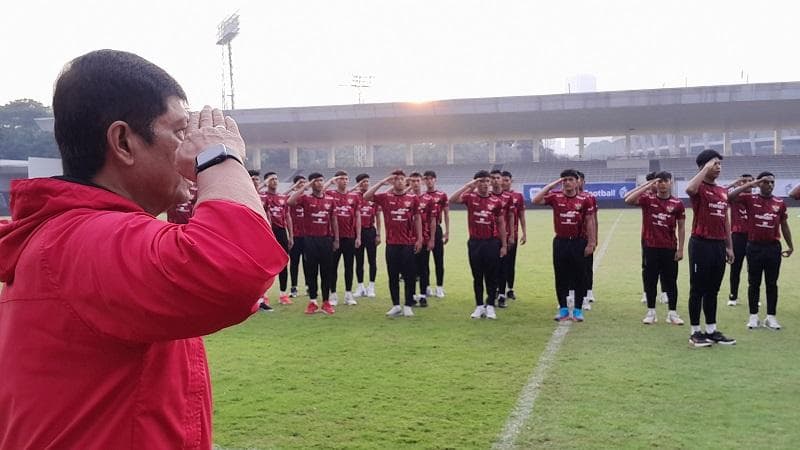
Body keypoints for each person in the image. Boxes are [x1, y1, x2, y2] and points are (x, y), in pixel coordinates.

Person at [0, 50, 287, 448]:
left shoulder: (71, 234)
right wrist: (219, 156)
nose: (189, 148)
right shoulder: (86, 238)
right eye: (180, 132)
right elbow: (236, 266)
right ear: (123, 142)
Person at [728, 172, 794, 329]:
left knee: (772, 283)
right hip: (754, 247)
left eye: (772, 182)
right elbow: (730, 197)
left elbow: (784, 225)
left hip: (773, 247)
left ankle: (771, 317)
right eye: (766, 182)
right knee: (754, 283)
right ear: (760, 184)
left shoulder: (779, 202)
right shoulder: (750, 199)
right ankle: (753, 316)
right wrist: (752, 183)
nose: (770, 185)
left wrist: (790, 245)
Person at [684, 149, 736, 347]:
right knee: (698, 289)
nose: (719, 168)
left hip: (718, 245)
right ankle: (695, 332)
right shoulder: (698, 188)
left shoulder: (722, 191)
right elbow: (689, 189)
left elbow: (725, 220)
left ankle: (712, 330)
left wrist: (729, 247)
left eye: (720, 164)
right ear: (703, 166)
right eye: (715, 164)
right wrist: (705, 167)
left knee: (713, 290)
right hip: (700, 244)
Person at [533, 169, 596, 322]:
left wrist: (591, 242)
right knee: (560, 276)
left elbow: (590, 221)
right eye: (564, 180)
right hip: (560, 242)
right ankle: (562, 309)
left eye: (570, 179)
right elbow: (536, 200)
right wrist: (553, 184)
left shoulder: (585, 199)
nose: (567, 182)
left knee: (580, 276)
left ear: (577, 182)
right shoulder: (555, 197)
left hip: (578, 242)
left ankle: (578, 309)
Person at [624, 171, 686, 325]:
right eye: (659, 181)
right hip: (650, 247)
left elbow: (682, 227)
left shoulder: (677, 204)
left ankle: (672, 313)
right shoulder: (647, 200)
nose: (662, 184)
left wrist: (680, 249)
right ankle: (651, 312)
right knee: (650, 281)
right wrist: (647, 184)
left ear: (671, 182)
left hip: (670, 248)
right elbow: (628, 199)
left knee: (671, 281)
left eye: (665, 181)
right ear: (655, 184)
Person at [363, 170, 423, 318]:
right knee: (393, 275)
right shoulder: (385, 197)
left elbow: (417, 219)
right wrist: (382, 182)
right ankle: (396, 305)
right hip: (392, 244)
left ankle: (408, 305)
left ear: (405, 181)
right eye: (396, 179)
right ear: (392, 182)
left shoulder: (412, 198)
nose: (400, 182)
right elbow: (366, 196)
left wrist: (420, 238)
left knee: (409, 276)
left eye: (402, 179)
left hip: (408, 243)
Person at [450, 171, 507, 319]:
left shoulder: (496, 201)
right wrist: (469, 185)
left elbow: (501, 223)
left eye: (486, 181)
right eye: (481, 181)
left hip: (491, 242)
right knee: (477, 276)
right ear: (476, 183)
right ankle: (479, 305)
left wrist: (504, 245)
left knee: (491, 276)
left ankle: (490, 306)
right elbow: (452, 199)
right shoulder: (471, 198)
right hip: (475, 242)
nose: (484, 184)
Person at [288, 172, 339, 315]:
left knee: (326, 272)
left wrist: (336, 239)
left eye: (321, 180)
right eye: (316, 181)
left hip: (326, 240)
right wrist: (305, 187)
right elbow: (290, 202)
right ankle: (312, 302)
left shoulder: (330, 200)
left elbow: (334, 220)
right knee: (311, 272)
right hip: (310, 240)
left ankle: (326, 302)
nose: (320, 183)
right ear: (311, 184)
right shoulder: (306, 198)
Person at [325, 171, 361, 306]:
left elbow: (357, 217)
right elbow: (320, 191)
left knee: (349, 266)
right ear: (336, 181)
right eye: (341, 179)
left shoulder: (354, 197)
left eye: (346, 179)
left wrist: (358, 236)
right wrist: (330, 180)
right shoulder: (331, 195)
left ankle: (348, 294)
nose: (344, 181)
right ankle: (333, 294)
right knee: (332, 267)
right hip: (334, 237)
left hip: (350, 237)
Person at [263, 171, 294, 305]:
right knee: (266, 265)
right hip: (268, 232)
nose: (274, 181)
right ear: (266, 182)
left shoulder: (282, 198)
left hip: (281, 232)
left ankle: (283, 294)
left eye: (276, 179)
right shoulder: (262, 197)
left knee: (283, 263)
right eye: (271, 179)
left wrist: (290, 235)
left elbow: (287, 217)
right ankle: (263, 296)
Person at [408, 172, 436, 307]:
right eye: (412, 181)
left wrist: (432, 239)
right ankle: (412, 295)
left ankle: (423, 295)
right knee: (410, 269)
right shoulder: (406, 198)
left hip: (424, 238)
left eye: (417, 181)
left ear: (422, 182)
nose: (415, 183)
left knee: (424, 268)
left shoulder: (429, 199)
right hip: (408, 240)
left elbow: (432, 220)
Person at [726, 174, 754, 306]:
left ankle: (754, 297)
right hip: (738, 236)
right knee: (735, 267)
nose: (747, 183)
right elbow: (721, 193)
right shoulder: (734, 198)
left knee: (753, 268)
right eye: (744, 181)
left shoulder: (757, 198)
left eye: (750, 181)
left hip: (754, 238)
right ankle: (733, 296)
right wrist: (734, 183)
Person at [353, 173, 381, 298]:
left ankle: (371, 286)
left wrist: (378, 234)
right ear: (358, 183)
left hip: (370, 231)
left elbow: (378, 217)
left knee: (372, 260)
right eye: (363, 182)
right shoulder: (354, 197)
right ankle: (360, 287)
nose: (366, 184)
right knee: (359, 261)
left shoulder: (372, 198)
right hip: (357, 233)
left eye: (367, 182)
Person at [500, 171, 526, 300]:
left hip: (512, 235)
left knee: (510, 263)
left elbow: (521, 215)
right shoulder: (495, 196)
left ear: (511, 181)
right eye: (502, 180)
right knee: (498, 264)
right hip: (496, 236)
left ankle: (510, 289)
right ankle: (500, 290)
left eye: (506, 180)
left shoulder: (518, 196)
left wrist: (524, 232)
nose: (504, 182)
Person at [574, 170, 598, 309]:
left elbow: (594, 220)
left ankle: (588, 292)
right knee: (571, 268)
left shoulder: (589, 197)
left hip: (586, 238)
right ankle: (570, 295)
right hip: (571, 239)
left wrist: (594, 238)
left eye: (579, 180)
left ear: (583, 182)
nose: (577, 182)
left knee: (586, 267)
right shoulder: (566, 196)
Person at [423, 170, 449, 298]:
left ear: (435, 180)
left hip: (437, 229)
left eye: (431, 178)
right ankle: (426, 286)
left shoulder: (441, 195)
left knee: (439, 259)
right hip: (423, 229)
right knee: (424, 261)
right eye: (426, 179)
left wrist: (447, 231)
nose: (429, 181)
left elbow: (446, 213)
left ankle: (439, 287)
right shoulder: (421, 196)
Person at [489, 169, 513, 308]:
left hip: (503, 236)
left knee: (504, 266)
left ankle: (502, 295)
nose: (495, 180)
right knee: (492, 267)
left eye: (497, 178)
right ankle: (493, 292)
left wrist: (511, 235)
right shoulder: (487, 196)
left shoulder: (507, 197)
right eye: (492, 178)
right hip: (490, 238)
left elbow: (510, 216)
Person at [286, 175, 308, 298]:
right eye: (300, 183)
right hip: (295, 235)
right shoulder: (291, 198)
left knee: (307, 262)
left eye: (304, 183)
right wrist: (291, 236)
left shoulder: (308, 198)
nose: (303, 185)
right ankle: (293, 288)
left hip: (307, 236)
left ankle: (308, 286)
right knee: (294, 263)